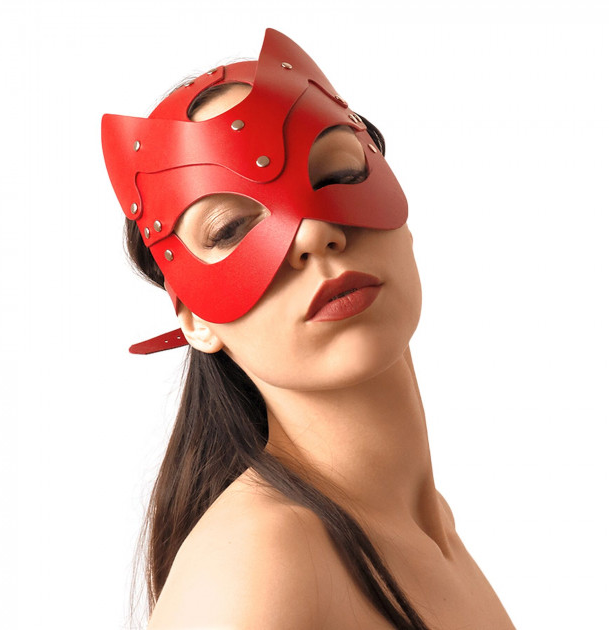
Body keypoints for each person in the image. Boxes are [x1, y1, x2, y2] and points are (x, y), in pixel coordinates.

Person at [102, 28, 516, 630]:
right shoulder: (253, 564)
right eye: (229, 229)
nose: (314, 233)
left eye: (338, 175)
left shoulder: (430, 528)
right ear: (195, 319)